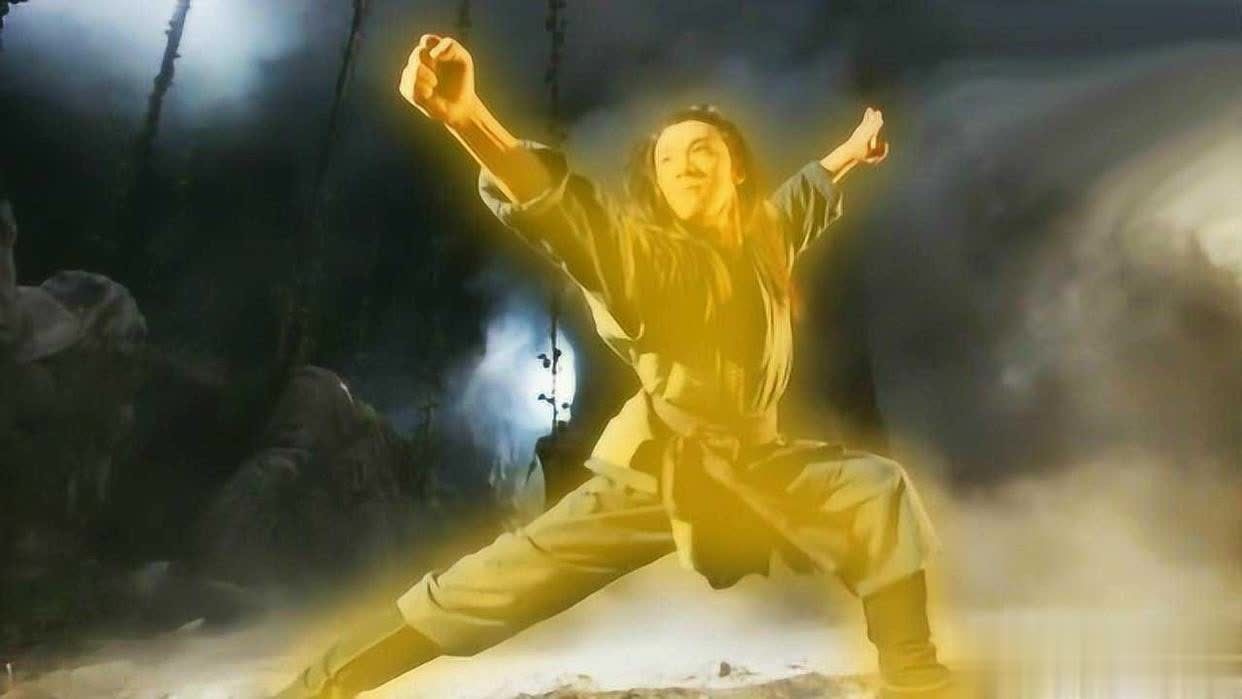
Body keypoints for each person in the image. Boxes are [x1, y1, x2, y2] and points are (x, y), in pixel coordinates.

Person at [276, 33, 955, 699]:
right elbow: (570, 218)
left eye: (703, 150)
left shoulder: (762, 240)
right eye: (668, 159)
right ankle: (320, 685)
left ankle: (913, 674)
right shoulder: (650, 261)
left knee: (876, 491)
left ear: (738, 170)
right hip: (659, 471)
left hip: (757, 462)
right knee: (489, 587)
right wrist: (469, 119)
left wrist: (851, 152)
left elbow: (801, 199)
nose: (684, 165)